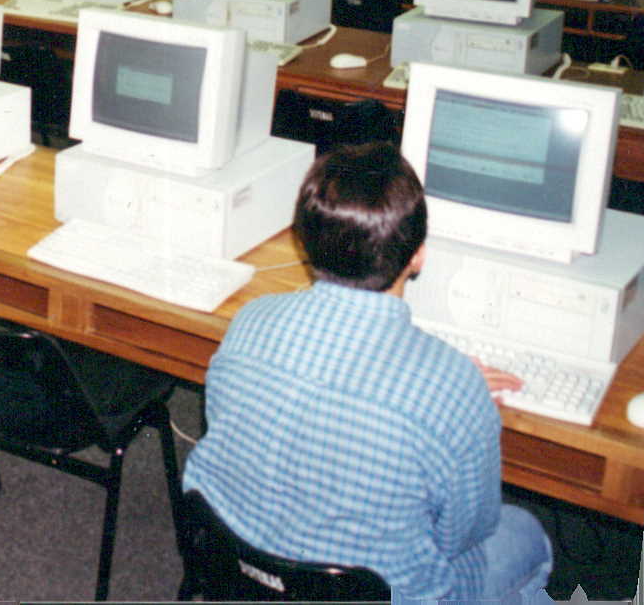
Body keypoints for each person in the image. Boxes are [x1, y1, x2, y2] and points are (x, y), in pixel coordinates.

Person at [182, 142, 551, 601]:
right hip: (368, 594)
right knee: (527, 535)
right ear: (418, 255)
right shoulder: (452, 388)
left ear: (304, 241)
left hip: (240, 569)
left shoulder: (250, 322)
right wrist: (454, 394)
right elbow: (462, 537)